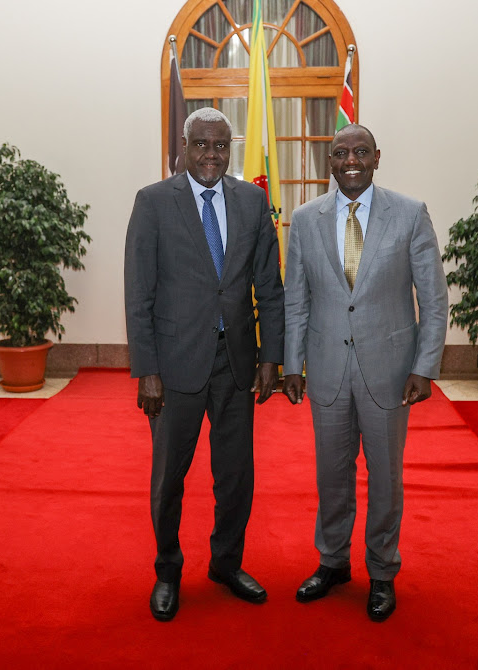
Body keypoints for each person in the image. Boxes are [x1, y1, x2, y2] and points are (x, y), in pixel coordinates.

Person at [282, 123, 447, 622]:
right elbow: (296, 300)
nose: (349, 160)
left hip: (390, 372)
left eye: (359, 152)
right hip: (327, 368)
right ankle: (332, 562)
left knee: (385, 476)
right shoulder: (305, 220)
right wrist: (293, 363)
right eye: (339, 154)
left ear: (377, 157)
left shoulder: (410, 214)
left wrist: (425, 366)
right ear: (329, 163)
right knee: (332, 475)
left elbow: (434, 299)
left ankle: (382, 571)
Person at [124, 107, 284, 622]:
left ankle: (226, 564)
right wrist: (147, 370)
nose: (211, 155)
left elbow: (270, 288)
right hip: (174, 365)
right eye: (201, 145)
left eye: (220, 145)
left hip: (235, 361)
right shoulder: (152, 203)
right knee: (170, 476)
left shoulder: (253, 200)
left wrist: (271, 357)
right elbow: (138, 294)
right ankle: (168, 569)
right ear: (183, 150)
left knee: (236, 474)